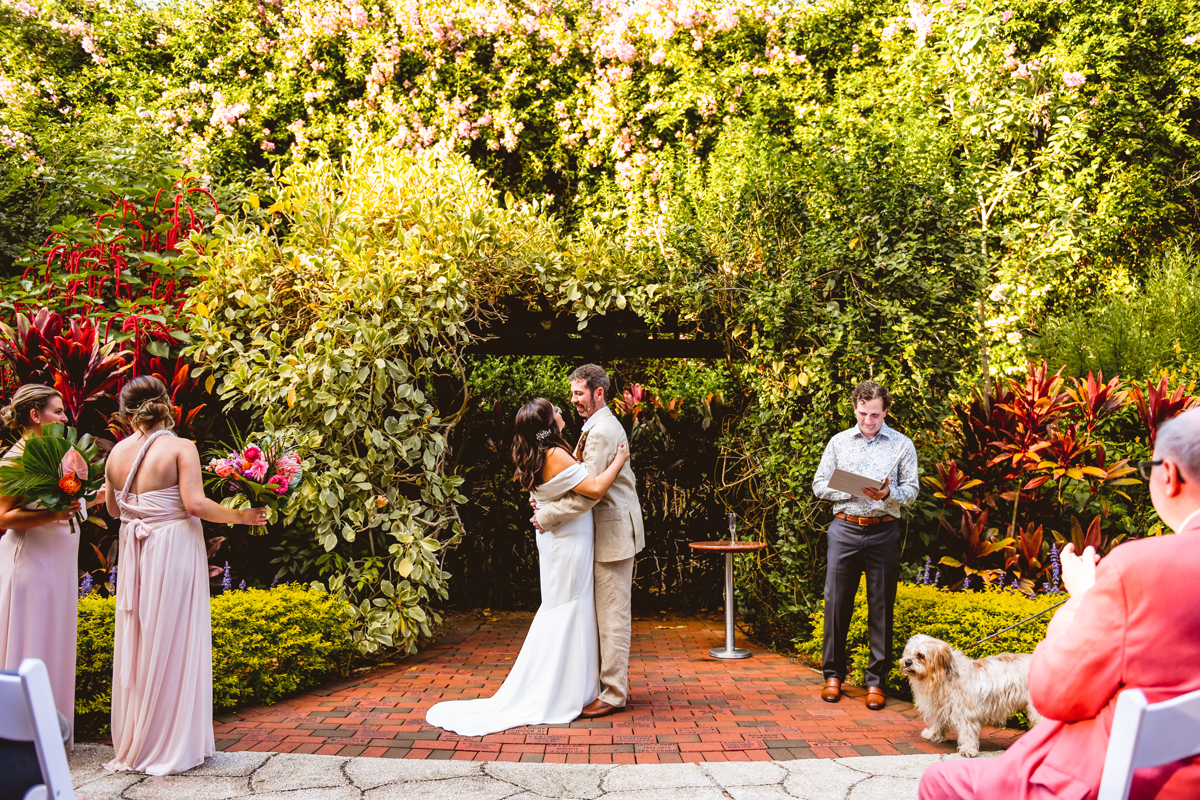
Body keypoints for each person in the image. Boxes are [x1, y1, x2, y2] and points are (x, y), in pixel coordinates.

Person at [919, 407, 1200, 800]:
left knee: (938, 781)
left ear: (1168, 475)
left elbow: (1051, 693)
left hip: (1134, 781)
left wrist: (1083, 597)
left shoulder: (1136, 567)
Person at [426, 398, 629, 734]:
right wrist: (619, 459)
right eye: (556, 411)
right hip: (569, 541)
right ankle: (563, 690)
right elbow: (592, 489)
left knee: (561, 605)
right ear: (549, 424)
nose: (562, 413)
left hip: (556, 540)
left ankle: (570, 684)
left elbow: (550, 493)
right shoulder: (557, 455)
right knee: (570, 607)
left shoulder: (540, 454)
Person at [102, 376, 267, 776]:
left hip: (137, 549)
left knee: (143, 637)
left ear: (125, 413)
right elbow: (195, 504)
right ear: (167, 405)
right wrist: (241, 516)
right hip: (173, 547)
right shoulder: (180, 447)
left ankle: (139, 742)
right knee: (174, 635)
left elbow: (111, 511)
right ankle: (172, 742)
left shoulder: (117, 454)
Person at [531, 364, 645, 720]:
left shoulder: (602, 431)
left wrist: (547, 516)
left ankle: (613, 694)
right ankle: (600, 685)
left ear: (599, 392)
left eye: (579, 393)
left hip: (612, 533)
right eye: (572, 394)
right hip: (599, 533)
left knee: (612, 616)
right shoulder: (595, 427)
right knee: (599, 614)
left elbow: (590, 494)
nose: (574, 400)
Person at [0, 384, 108, 748]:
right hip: (31, 564)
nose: (65, 418)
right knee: (31, 641)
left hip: (59, 567)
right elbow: (5, 516)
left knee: (55, 643)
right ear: (35, 415)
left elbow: (77, 500)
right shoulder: (16, 459)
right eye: (58, 411)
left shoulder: (64, 453)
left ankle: (51, 735)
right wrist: (53, 512)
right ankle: (21, 738)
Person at [812, 380, 919, 710]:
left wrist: (887, 494)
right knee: (836, 603)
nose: (868, 421)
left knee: (881, 607)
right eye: (862, 414)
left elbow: (912, 492)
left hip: (884, 532)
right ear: (854, 408)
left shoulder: (902, 445)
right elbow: (819, 485)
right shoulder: (839, 442)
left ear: (885, 411)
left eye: (875, 414)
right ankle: (833, 676)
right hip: (844, 530)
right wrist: (854, 491)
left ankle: (876, 681)